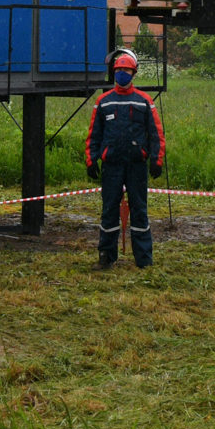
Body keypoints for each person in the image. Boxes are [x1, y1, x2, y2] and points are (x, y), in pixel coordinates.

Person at [86, 48, 167, 270]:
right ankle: (106, 256)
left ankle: (144, 259)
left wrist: (155, 160)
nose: (123, 74)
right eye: (119, 70)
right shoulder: (103, 102)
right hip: (111, 166)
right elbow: (94, 135)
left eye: (127, 71)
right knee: (109, 211)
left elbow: (156, 134)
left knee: (139, 211)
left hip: (136, 166)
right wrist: (92, 160)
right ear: (114, 73)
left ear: (134, 73)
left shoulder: (144, 101)